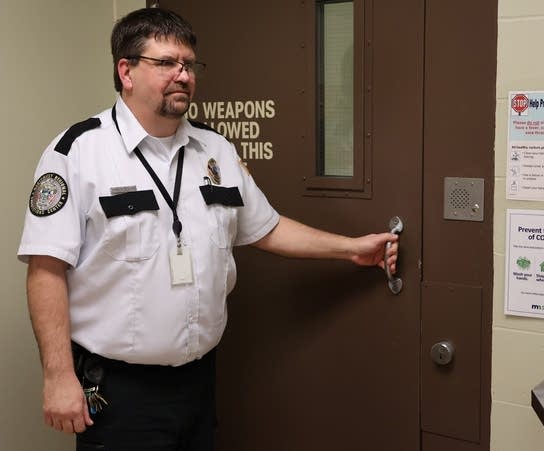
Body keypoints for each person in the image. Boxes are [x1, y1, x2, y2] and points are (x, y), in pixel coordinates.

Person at [18, 7, 398, 451]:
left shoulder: (213, 148)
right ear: (127, 71)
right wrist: (58, 376)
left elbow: (266, 228)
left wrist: (351, 249)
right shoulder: (78, 153)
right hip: (119, 393)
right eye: (166, 63)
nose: (183, 75)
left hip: (198, 384)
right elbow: (46, 269)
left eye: (189, 64)